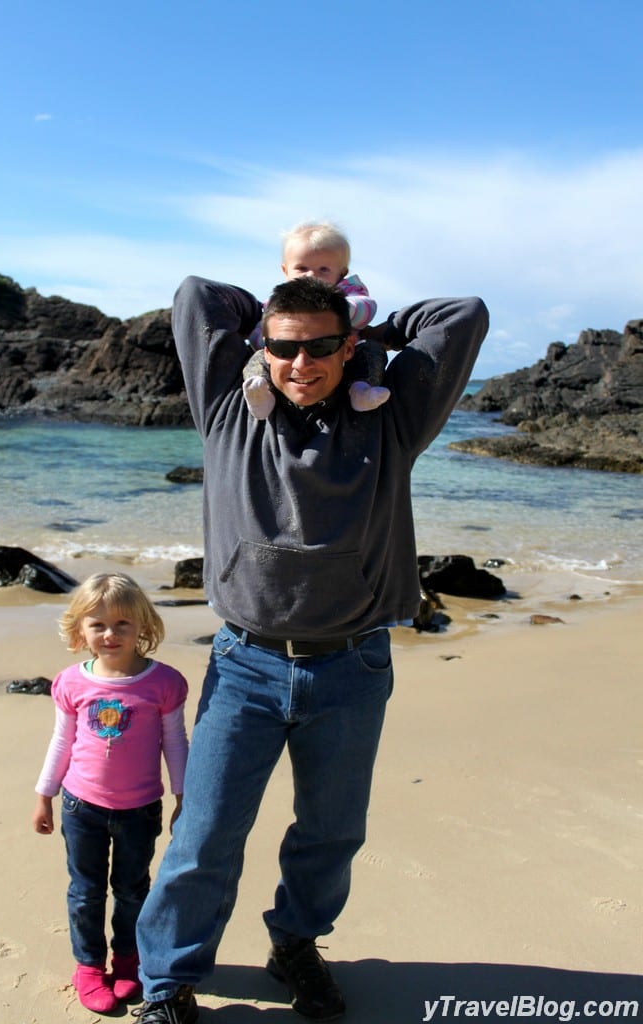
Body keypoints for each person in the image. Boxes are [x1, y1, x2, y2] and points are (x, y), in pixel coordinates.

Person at [134, 276, 489, 1024]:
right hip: (245, 665)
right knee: (204, 835)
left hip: (351, 667)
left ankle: (295, 945)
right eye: (285, 346)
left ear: (347, 345)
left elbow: (463, 314)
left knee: (331, 833)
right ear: (262, 346)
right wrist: (274, 307)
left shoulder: (392, 420)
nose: (302, 362)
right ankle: (168, 982)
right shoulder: (228, 409)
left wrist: (376, 327)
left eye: (322, 346)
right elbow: (197, 296)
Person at [32, 572, 189, 1014]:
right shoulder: (70, 683)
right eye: (97, 624)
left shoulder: (164, 683)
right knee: (86, 892)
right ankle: (87, 965)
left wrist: (183, 797)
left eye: (122, 624)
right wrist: (44, 794)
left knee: (133, 889)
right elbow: (61, 742)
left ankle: (127, 959)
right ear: (80, 629)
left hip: (140, 809)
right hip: (81, 807)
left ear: (144, 626)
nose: (110, 634)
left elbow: (175, 742)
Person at [242, 220, 391, 419]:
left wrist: (333, 308)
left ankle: (361, 391)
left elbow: (366, 308)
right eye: (302, 268)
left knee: (372, 351)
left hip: (343, 357)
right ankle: (261, 394)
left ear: (342, 273)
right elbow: (264, 329)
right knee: (259, 357)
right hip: (287, 363)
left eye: (323, 269)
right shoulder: (281, 301)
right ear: (285, 271)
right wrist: (271, 344)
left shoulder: (347, 291)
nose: (311, 275)